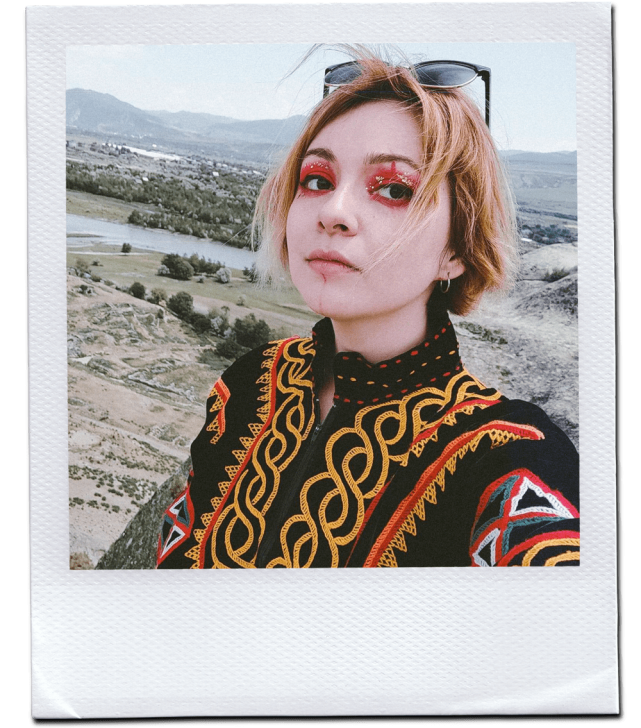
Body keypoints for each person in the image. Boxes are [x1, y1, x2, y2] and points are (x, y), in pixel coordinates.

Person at [156, 51, 579, 569]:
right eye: (317, 179)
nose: (333, 211)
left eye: (394, 189)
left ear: (457, 249)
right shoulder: (249, 384)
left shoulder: (507, 456)